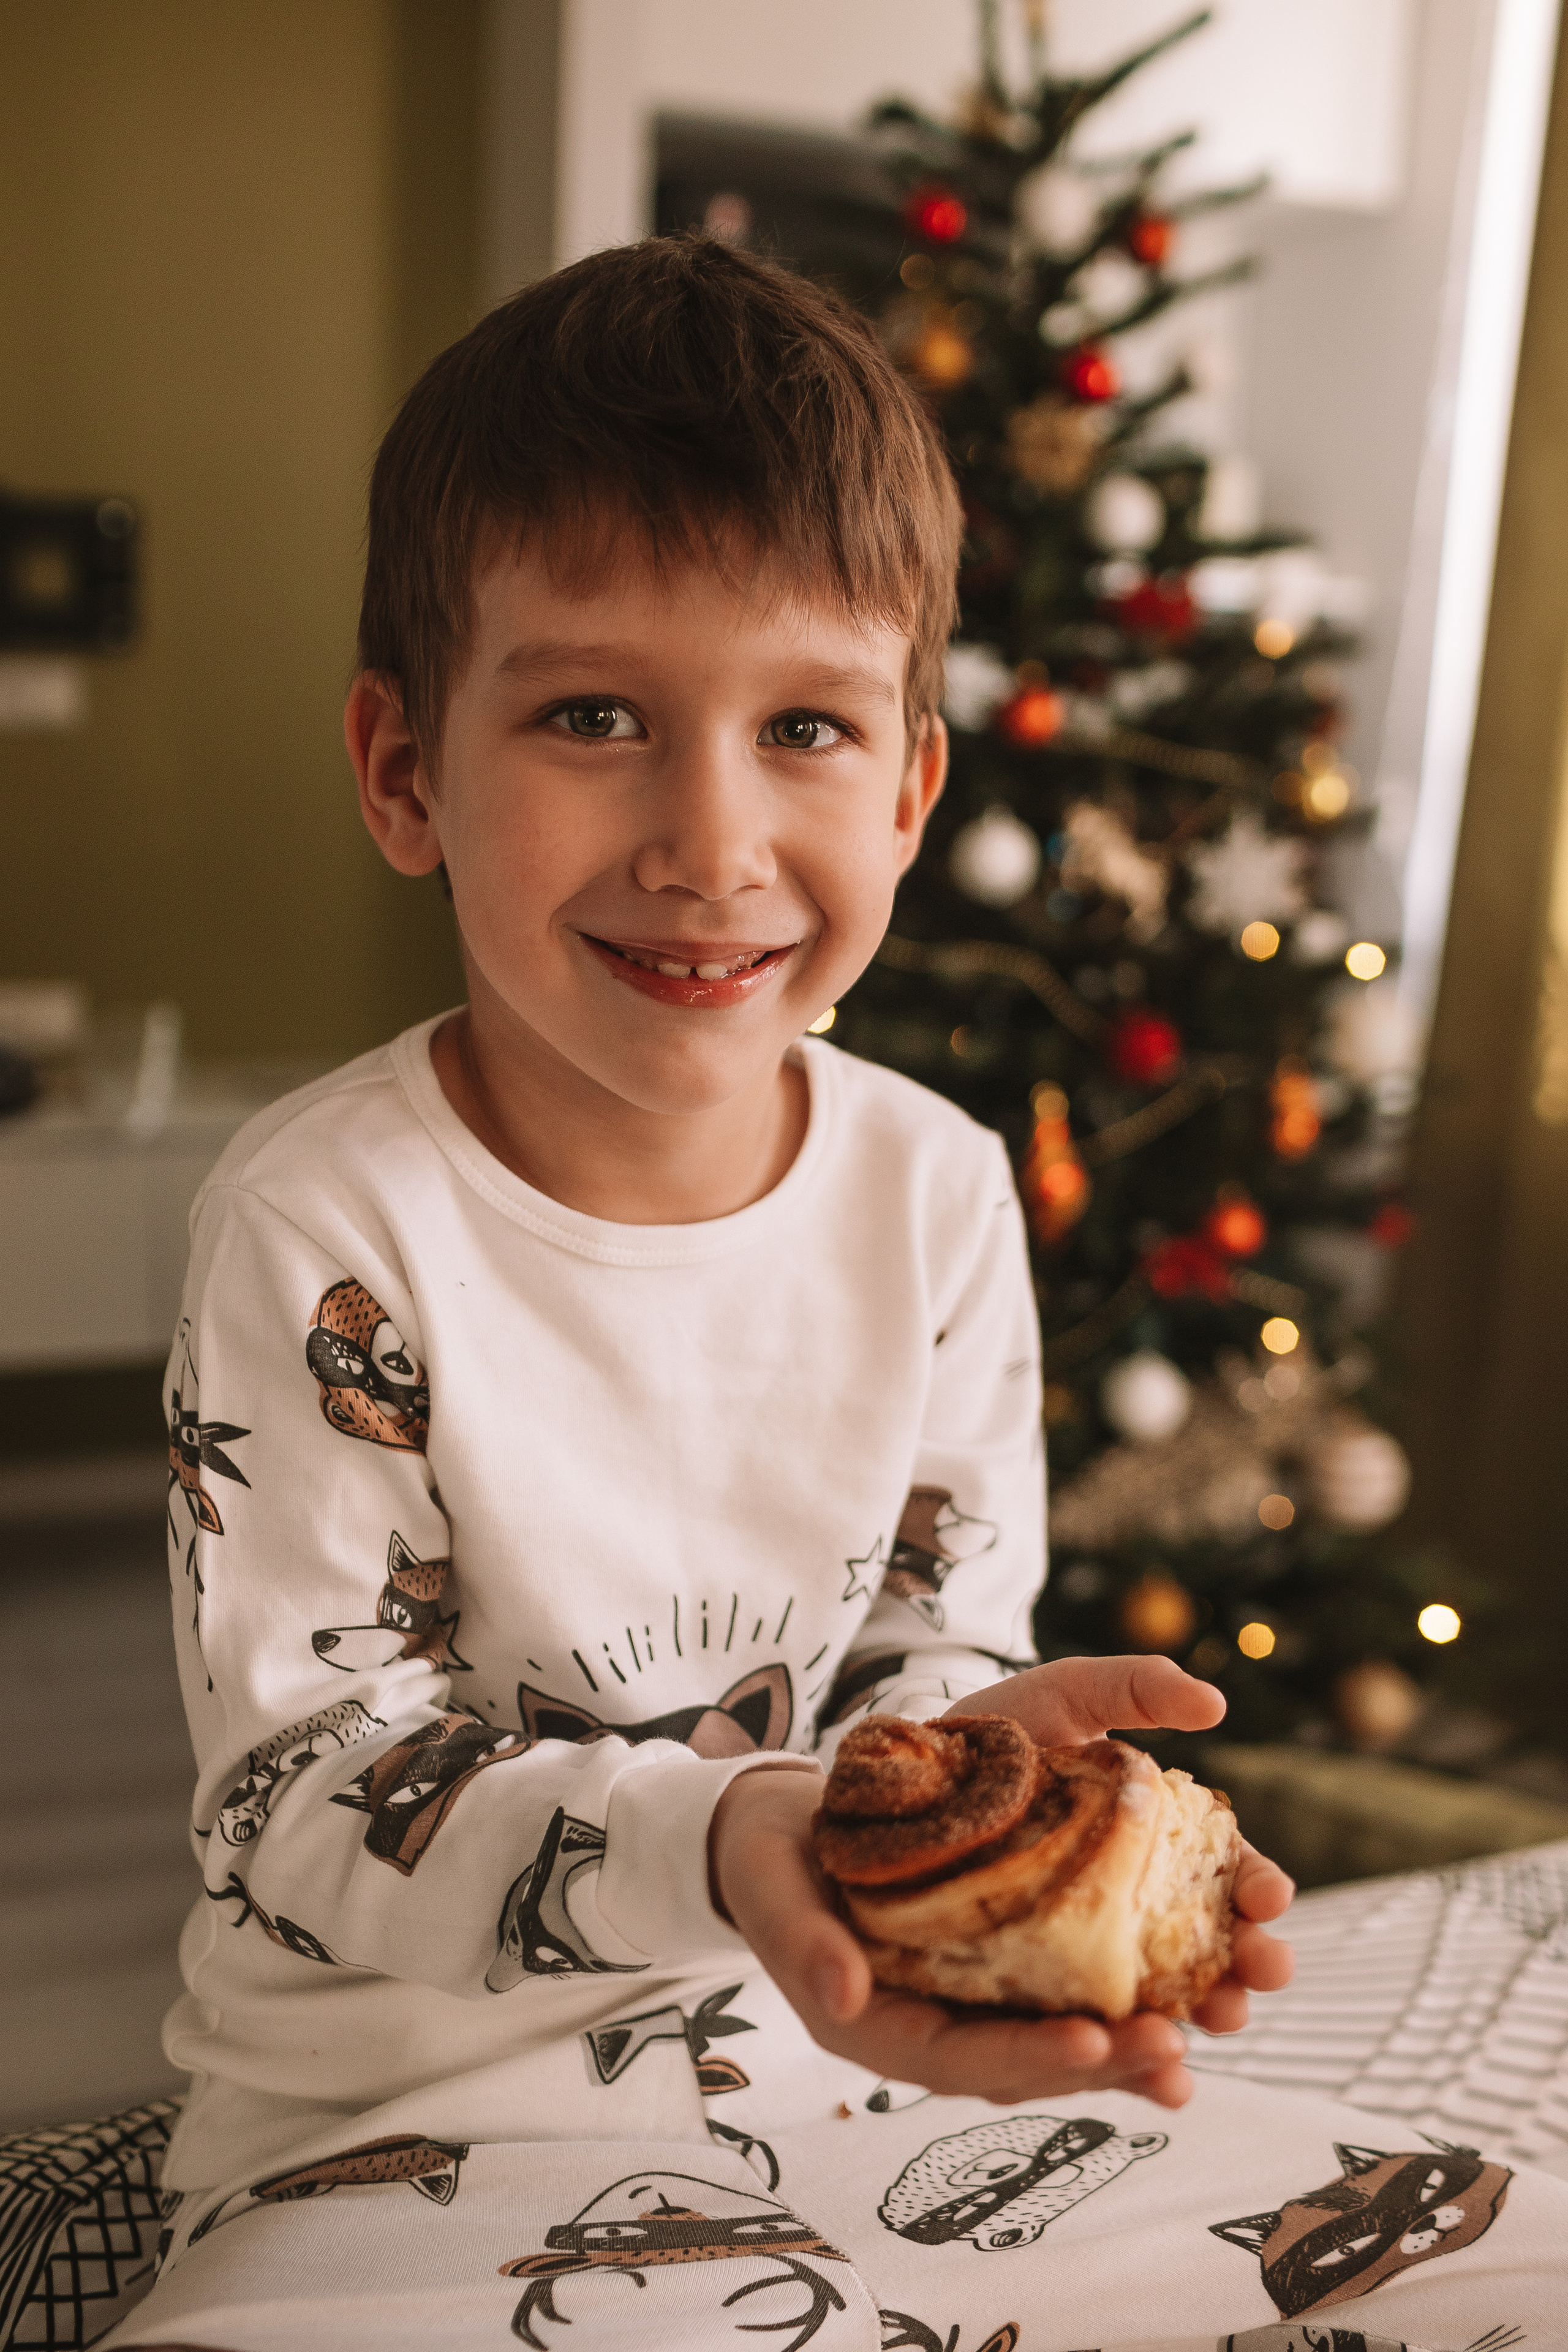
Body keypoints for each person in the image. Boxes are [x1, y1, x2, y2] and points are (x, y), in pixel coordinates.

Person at [109, 239, 1564, 2352]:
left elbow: (922, 1646)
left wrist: (965, 1790)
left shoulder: (940, 1193)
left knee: (1486, 2265)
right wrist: (728, 1843)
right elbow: (313, 1786)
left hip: (856, 2073)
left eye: (802, 725)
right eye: (594, 715)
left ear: (908, 787)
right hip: (403, 2136)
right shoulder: (326, 1228)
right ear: (404, 767)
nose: (713, 839)